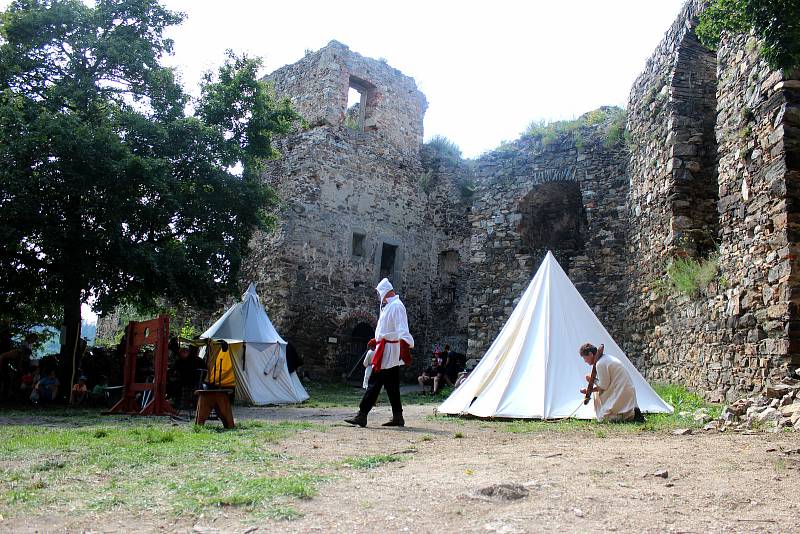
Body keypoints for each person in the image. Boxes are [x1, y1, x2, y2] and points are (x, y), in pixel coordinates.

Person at [345, 278, 414, 428]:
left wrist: (405, 347)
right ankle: (398, 416)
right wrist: (376, 340)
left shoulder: (396, 306)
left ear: (384, 292)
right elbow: (387, 330)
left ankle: (362, 415)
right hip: (385, 348)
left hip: (389, 352)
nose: (378, 296)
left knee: (374, 382)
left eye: (379, 293)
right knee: (392, 385)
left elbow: (402, 329)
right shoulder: (387, 306)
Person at [578, 342, 643, 422]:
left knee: (603, 419)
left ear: (591, 354)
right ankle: (630, 413)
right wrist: (589, 390)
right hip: (622, 392)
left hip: (622, 393)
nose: (585, 361)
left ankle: (631, 415)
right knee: (597, 398)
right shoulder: (605, 359)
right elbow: (606, 385)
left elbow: (604, 386)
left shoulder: (600, 363)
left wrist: (591, 379)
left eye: (585, 358)